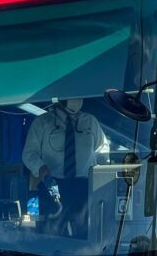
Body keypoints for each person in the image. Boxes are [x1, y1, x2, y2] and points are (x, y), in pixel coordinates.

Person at [22, 99, 109, 235]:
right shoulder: (42, 122)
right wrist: (40, 167)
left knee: (84, 232)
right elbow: (29, 153)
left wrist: (101, 174)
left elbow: (102, 150)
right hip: (52, 186)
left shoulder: (90, 122)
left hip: (83, 187)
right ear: (60, 100)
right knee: (51, 232)